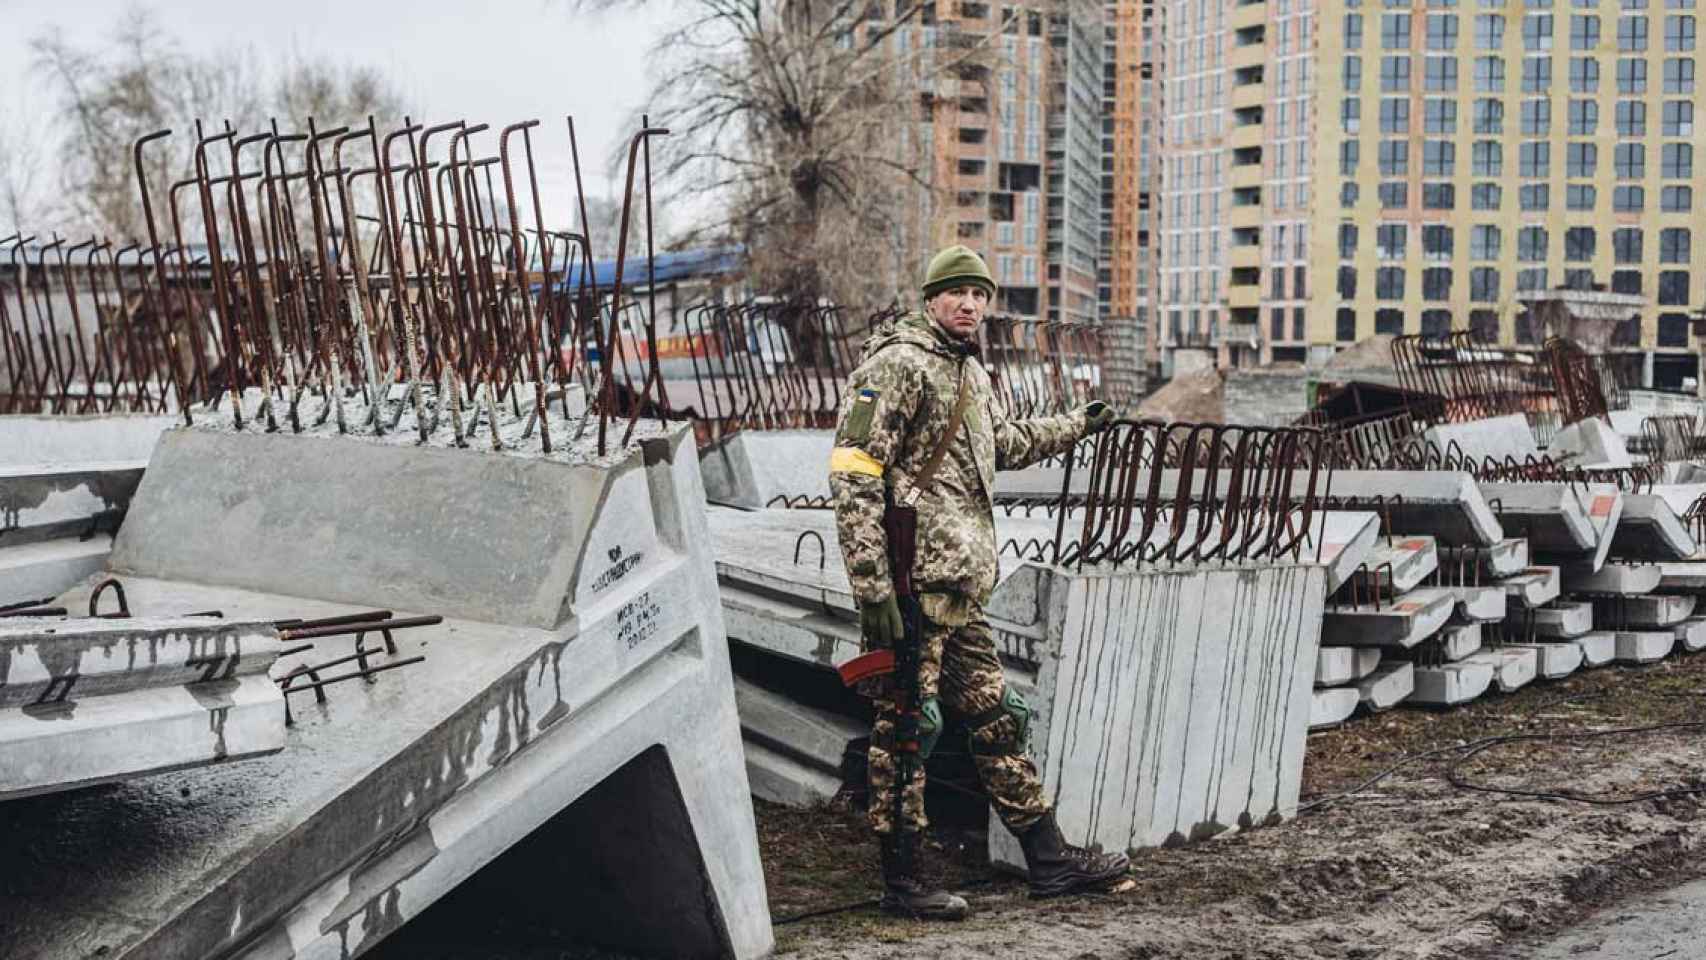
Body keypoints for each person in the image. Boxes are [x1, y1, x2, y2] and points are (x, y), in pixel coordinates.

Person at [827, 244, 1128, 920]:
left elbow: (1007, 444)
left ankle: (1050, 863)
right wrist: (873, 589)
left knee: (998, 722)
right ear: (931, 298)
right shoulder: (897, 365)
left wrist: (1078, 426)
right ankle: (904, 881)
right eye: (957, 292)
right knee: (908, 731)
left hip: (960, 591)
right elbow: (853, 471)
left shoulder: (969, 373)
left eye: (981, 294)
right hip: (912, 588)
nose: (970, 304)